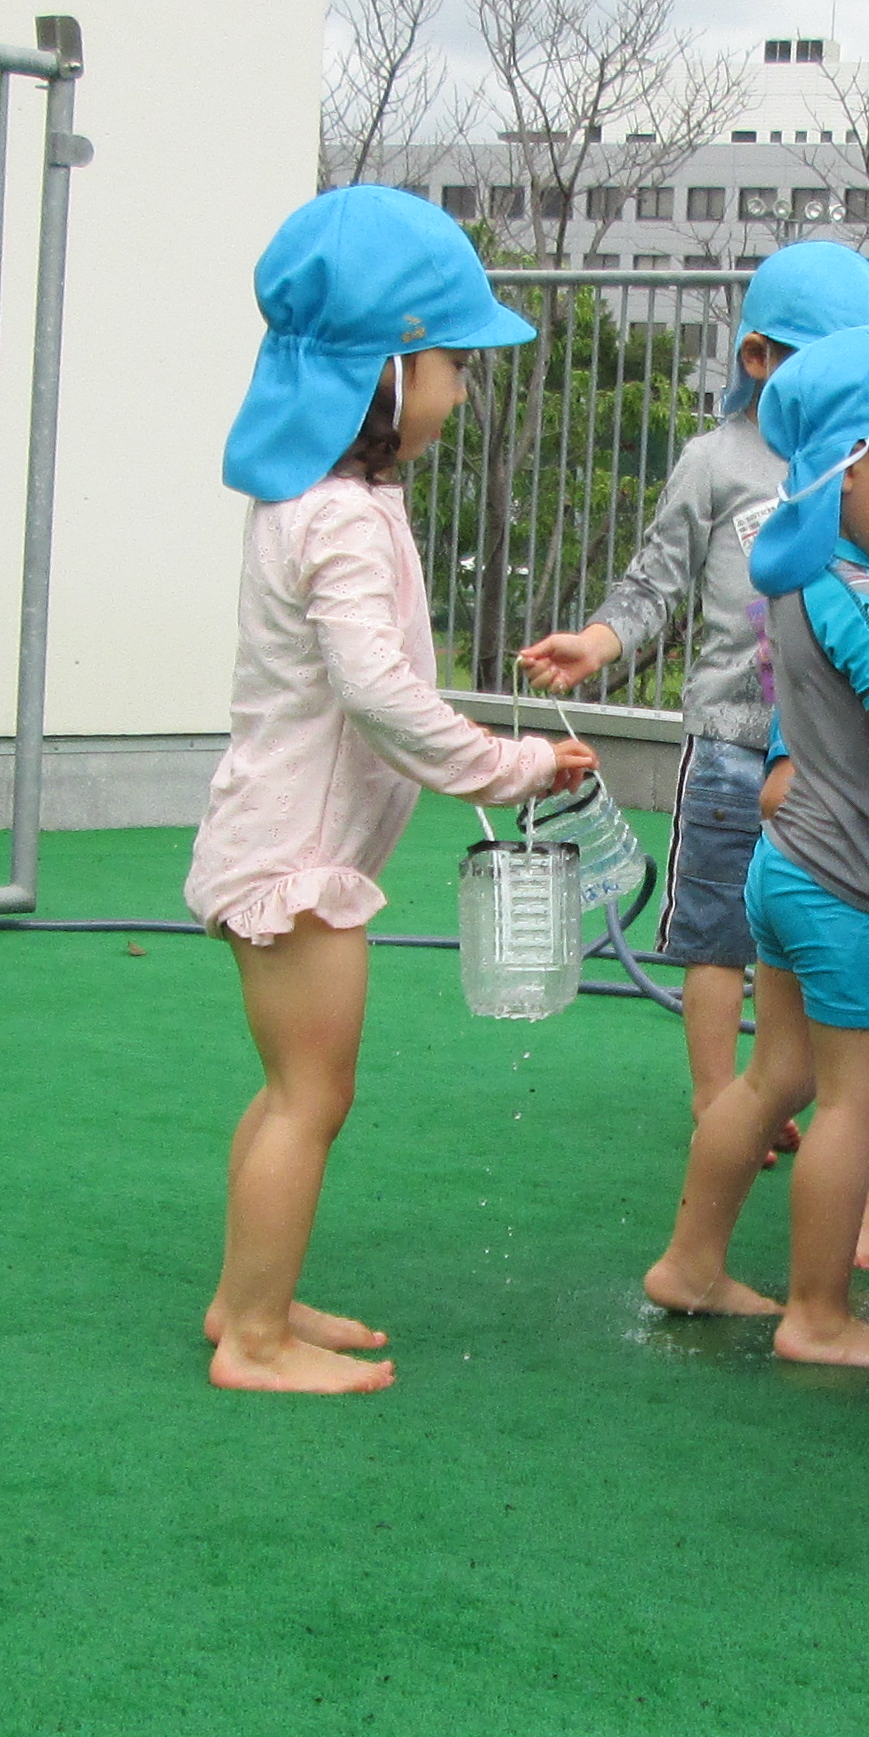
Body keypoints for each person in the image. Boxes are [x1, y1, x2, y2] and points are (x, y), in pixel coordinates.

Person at [188, 189, 592, 1397]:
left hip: (272, 845)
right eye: (450, 365)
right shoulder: (348, 523)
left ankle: (244, 1298)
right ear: (383, 374)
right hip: (293, 872)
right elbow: (377, 694)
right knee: (313, 1095)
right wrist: (514, 766)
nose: (462, 392)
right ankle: (253, 1342)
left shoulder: (320, 503)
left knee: (289, 1094)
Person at [640, 324, 869, 1365]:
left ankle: (692, 1263)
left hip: (789, 869)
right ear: (850, 466)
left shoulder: (811, 573)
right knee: (855, 1100)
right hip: (857, 889)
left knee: (776, 1077)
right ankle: (819, 1314)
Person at [515, 240, 869, 1115]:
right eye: (817, 362)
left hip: (836, 756)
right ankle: (721, 1104)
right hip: (732, 738)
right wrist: (601, 641)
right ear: (757, 357)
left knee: (806, 932)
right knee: (718, 936)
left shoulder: (866, 464)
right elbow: (658, 578)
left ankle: (782, 1093)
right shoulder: (718, 459)